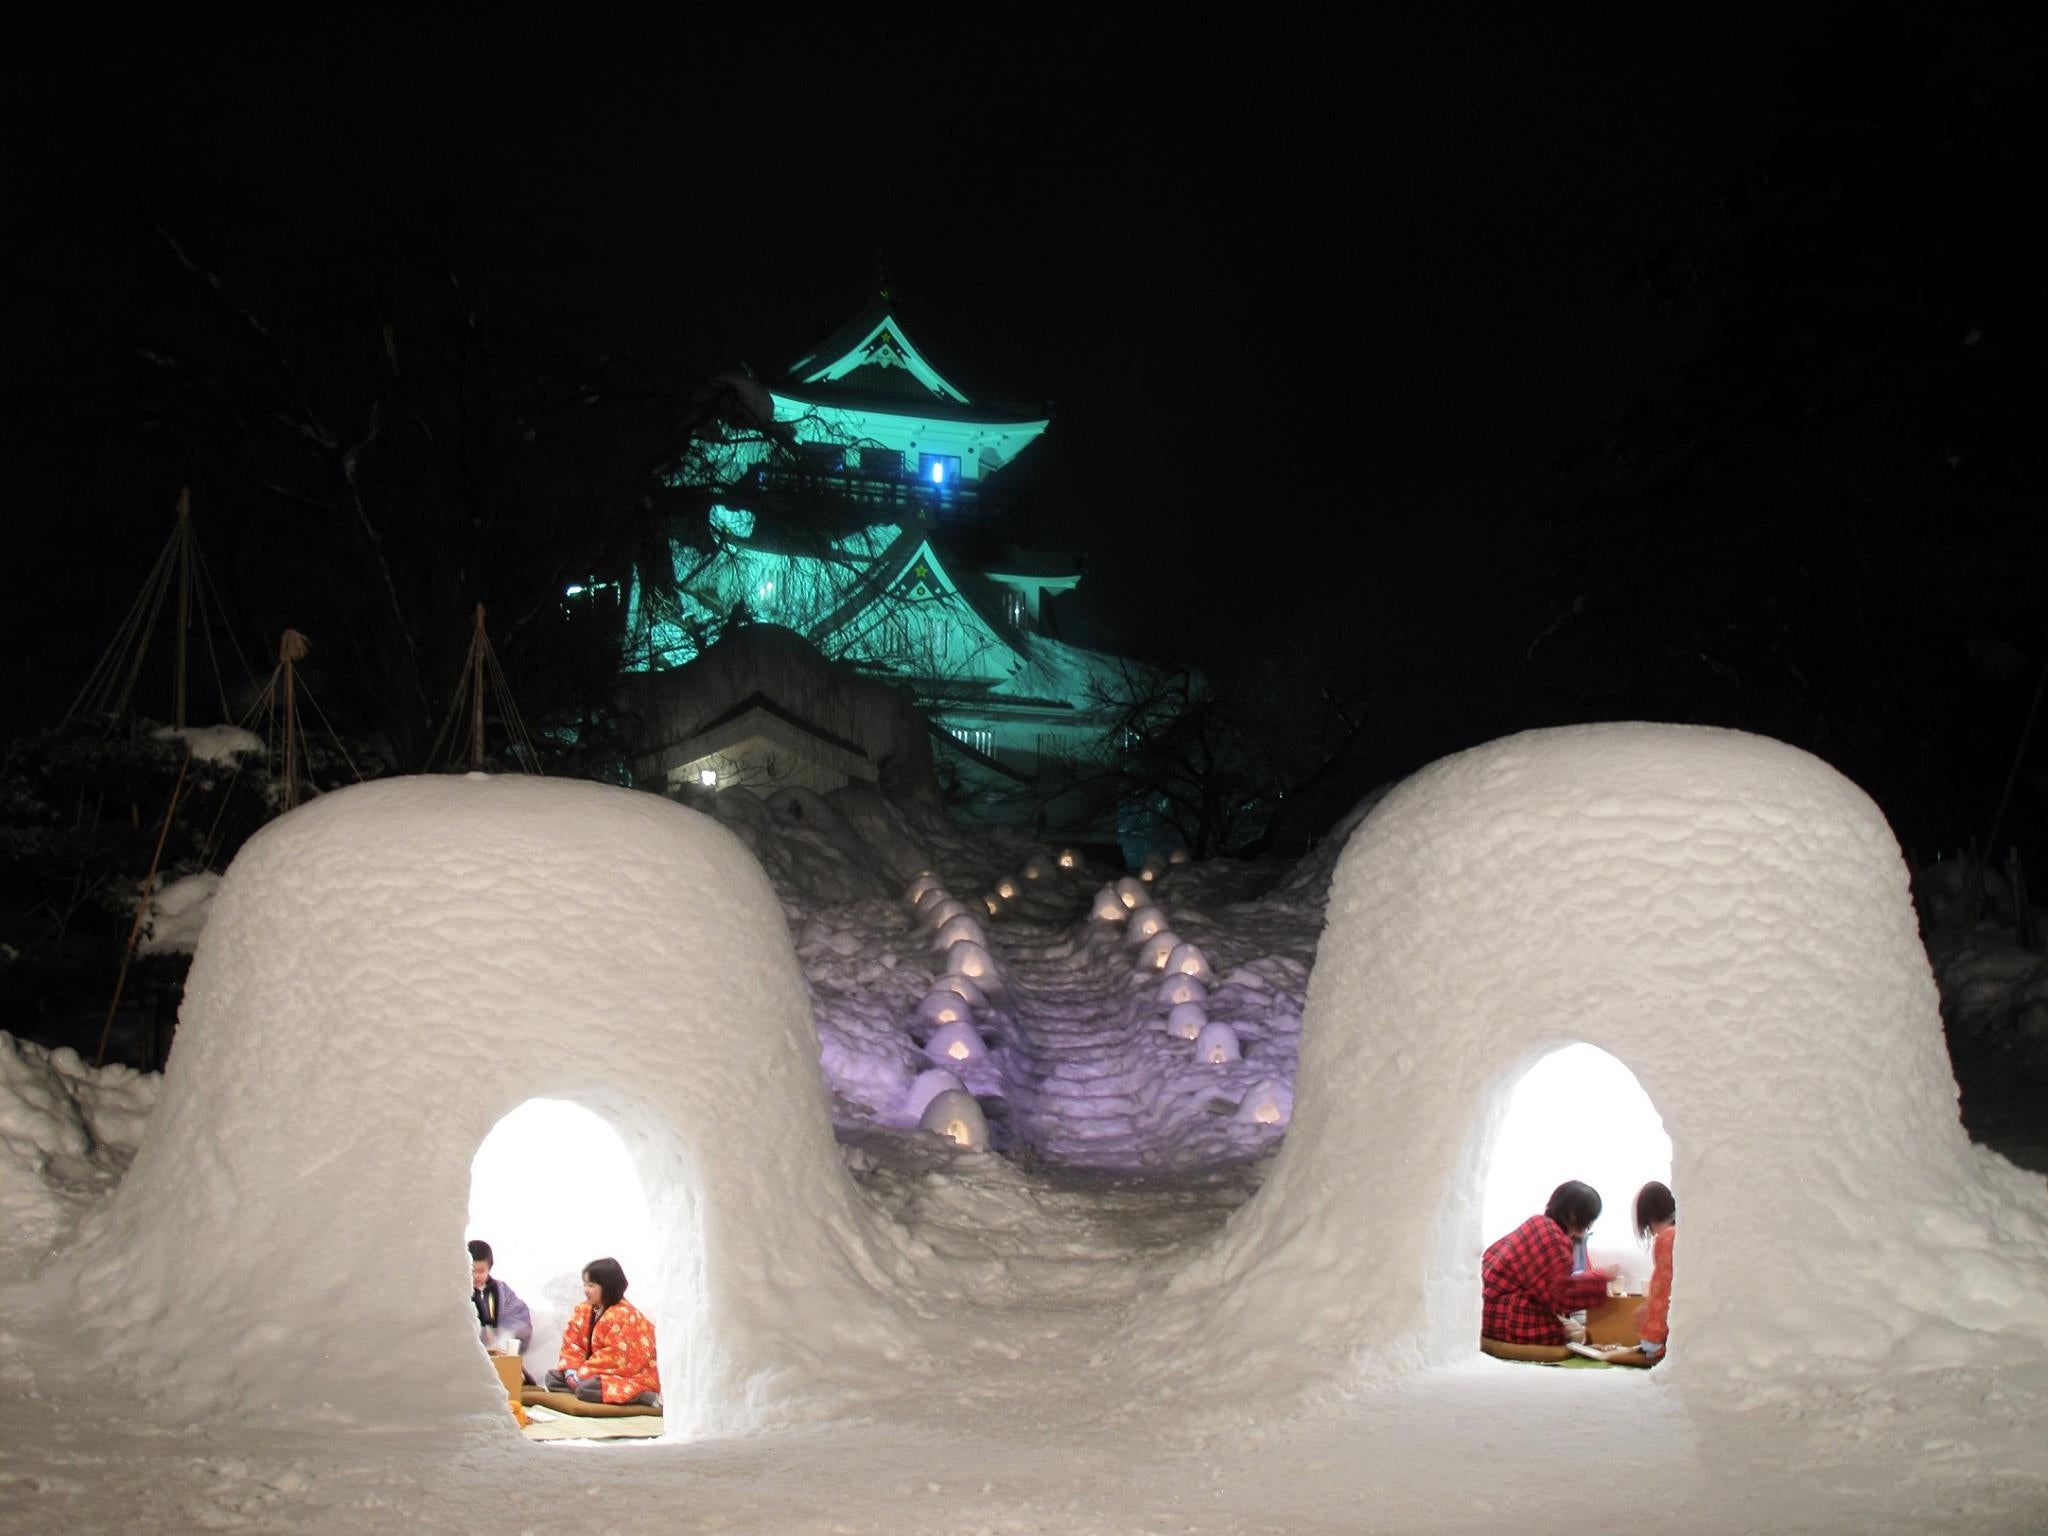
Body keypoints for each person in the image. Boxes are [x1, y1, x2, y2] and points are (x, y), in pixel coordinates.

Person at [1481, 1180, 1617, 1349]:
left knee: (1576, 1323)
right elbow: (1561, 1294)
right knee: (1580, 1333)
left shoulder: (1539, 1224)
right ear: (1574, 1214)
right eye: (1589, 1218)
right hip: (1507, 1314)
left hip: (1486, 1313)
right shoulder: (1552, 1236)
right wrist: (1603, 1276)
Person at [544, 1257, 661, 1408]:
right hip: (590, 1373)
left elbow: (615, 1357)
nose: (586, 1290)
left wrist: (581, 1374)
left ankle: (640, 1394)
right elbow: (572, 1343)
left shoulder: (624, 1314)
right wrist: (571, 1371)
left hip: (628, 1375)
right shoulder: (584, 1310)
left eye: (591, 1285)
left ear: (607, 1286)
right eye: (585, 1284)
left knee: (588, 1387)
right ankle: (581, 1386)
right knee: (552, 1378)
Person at [1632, 1181, 1677, 1362]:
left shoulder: (1666, 1238)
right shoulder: (1684, 1233)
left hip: (1667, 1340)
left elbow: (1663, 1291)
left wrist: (1651, 1338)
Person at [468, 1239, 533, 1357]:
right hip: (471, 1354)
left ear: (489, 1268)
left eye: (481, 1271)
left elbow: (519, 1316)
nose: (476, 1276)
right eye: (472, 1271)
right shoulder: (460, 1294)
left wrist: (505, 1333)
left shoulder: (501, 1290)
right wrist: (480, 1332)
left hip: (500, 1352)